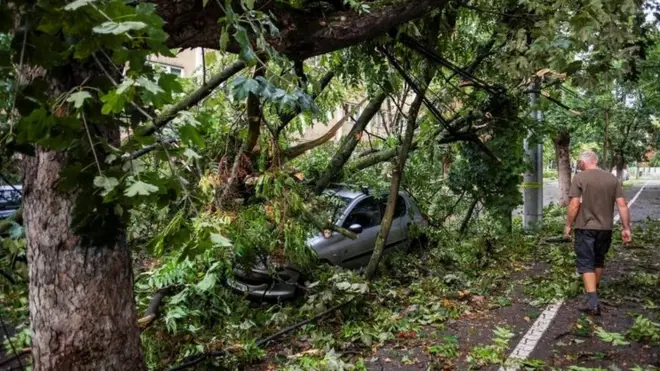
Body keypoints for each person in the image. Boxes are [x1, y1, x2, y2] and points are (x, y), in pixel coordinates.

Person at [564, 151, 632, 315]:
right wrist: (626, 228)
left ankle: (593, 303)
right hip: (605, 228)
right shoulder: (611, 178)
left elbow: (574, 205)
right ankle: (593, 293)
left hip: (585, 227)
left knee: (586, 262)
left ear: (583, 162)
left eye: (579, 161)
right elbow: (622, 205)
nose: (579, 164)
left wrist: (568, 225)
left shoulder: (580, 178)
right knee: (598, 260)